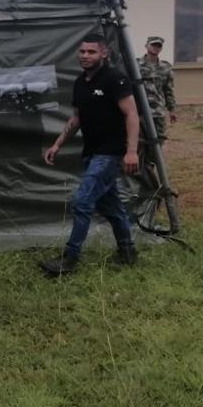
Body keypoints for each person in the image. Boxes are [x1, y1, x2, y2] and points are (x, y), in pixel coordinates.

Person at [40, 36, 139, 275]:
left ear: (103, 54)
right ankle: (128, 252)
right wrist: (58, 143)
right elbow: (77, 118)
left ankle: (70, 259)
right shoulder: (80, 82)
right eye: (82, 51)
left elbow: (132, 115)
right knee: (113, 207)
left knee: (82, 202)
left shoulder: (115, 78)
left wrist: (132, 151)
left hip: (110, 153)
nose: (85, 56)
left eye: (91, 52)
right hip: (91, 152)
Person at [139, 36, 177, 144]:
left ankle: (154, 161)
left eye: (159, 46)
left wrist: (172, 110)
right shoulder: (136, 65)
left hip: (157, 111)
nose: (156, 47)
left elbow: (169, 90)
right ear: (146, 46)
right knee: (140, 141)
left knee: (158, 140)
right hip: (139, 111)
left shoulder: (166, 67)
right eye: (153, 45)